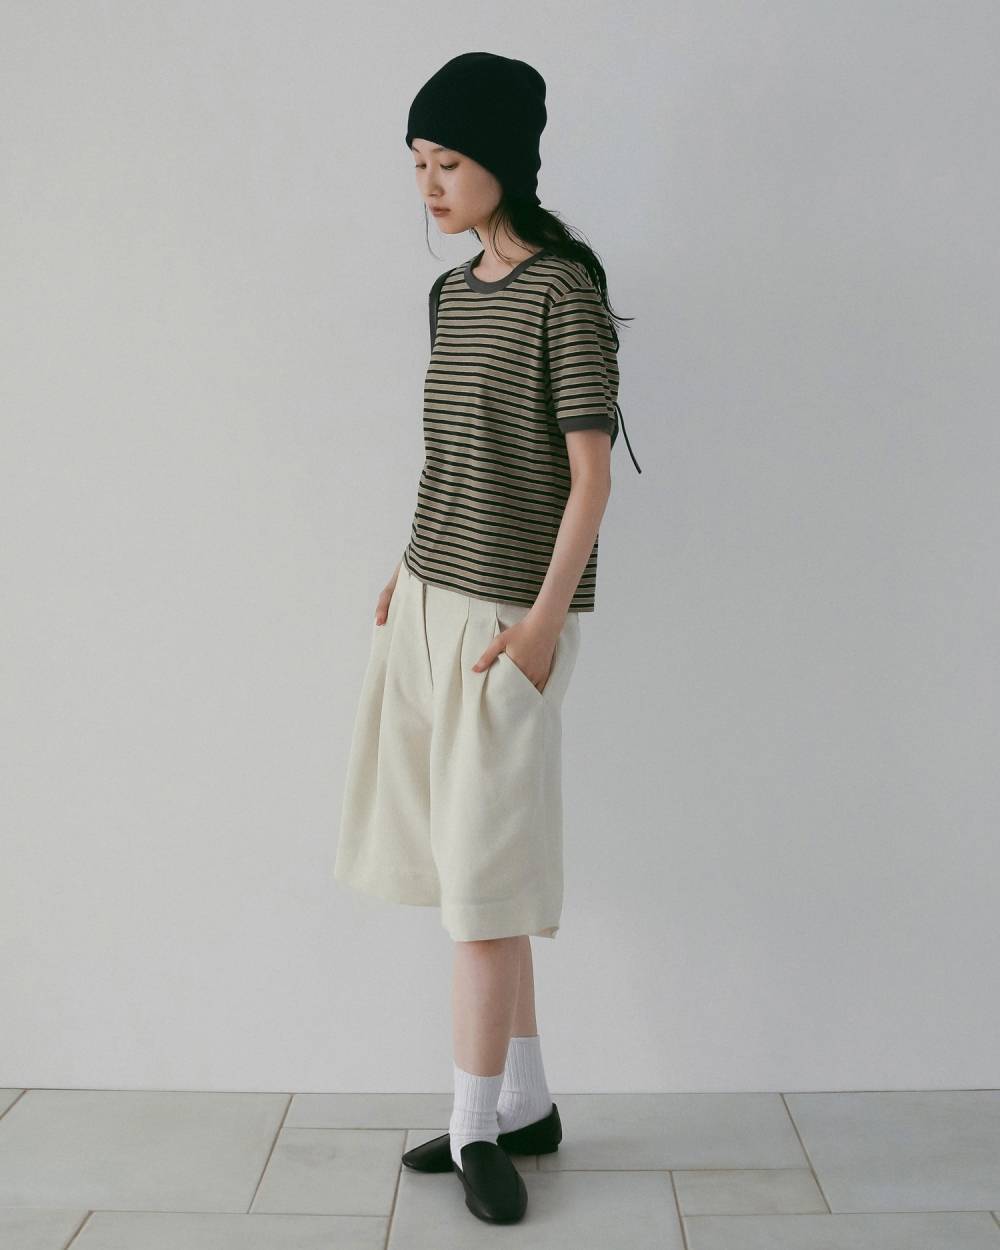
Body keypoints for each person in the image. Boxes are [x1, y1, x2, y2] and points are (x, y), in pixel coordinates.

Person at [333, 51, 641, 1224]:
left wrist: (544, 626)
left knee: (484, 890)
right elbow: (450, 456)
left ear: (503, 159)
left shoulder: (563, 292)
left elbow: (589, 479)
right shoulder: (451, 296)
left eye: (448, 161)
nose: (428, 185)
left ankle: (472, 1127)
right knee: (475, 872)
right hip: (428, 603)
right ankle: (527, 1102)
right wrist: (402, 567)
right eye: (417, 163)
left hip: (509, 622)